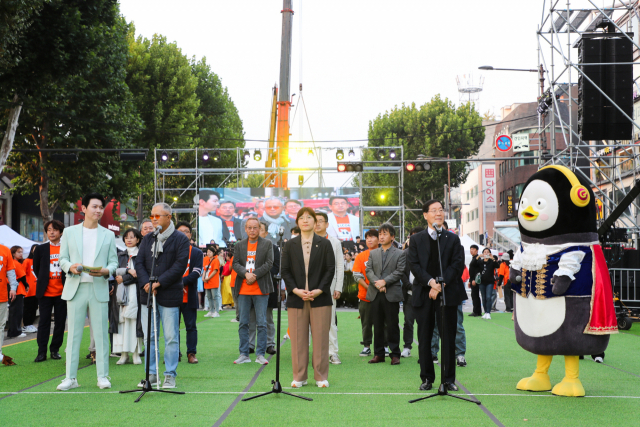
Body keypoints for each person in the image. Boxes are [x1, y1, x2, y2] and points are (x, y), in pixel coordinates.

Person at [57, 193, 119, 391]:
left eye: (101, 207)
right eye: (94, 206)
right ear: (83, 209)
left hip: (98, 286)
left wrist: (107, 271)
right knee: (73, 334)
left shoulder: (109, 235)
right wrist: (70, 267)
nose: (98, 210)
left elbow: (114, 262)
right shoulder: (69, 232)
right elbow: (62, 259)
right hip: (76, 286)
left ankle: (102, 376)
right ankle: (70, 378)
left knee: (101, 334)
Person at [409, 200, 466, 391]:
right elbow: (415, 266)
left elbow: (457, 265)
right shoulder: (416, 240)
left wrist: (440, 284)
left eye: (441, 210)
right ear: (425, 215)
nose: (438, 213)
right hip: (423, 294)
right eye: (433, 211)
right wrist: (431, 283)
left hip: (447, 294)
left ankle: (448, 379)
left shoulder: (452, 239)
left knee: (448, 337)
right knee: (424, 337)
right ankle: (427, 378)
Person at [135, 202, 190, 389]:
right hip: (147, 294)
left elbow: (180, 266)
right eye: (152, 216)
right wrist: (146, 283)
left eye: (157, 216)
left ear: (169, 217)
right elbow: (140, 263)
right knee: (149, 336)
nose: (154, 219)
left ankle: (169, 374)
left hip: (169, 295)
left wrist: (159, 283)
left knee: (170, 336)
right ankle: (151, 374)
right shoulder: (148, 239)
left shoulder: (180, 239)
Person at [281, 208, 335, 387]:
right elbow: (285, 271)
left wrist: (320, 289)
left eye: (309, 218)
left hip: (320, 297)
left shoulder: (324, 244)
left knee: (320, 338)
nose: (305, 221)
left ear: (316, 222)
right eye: (301, 218)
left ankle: (320, 376)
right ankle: (299, 376)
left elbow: (330, 269)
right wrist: (295, 290)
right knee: (297, 340)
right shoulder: (289, 245)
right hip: (297, 298)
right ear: (297, 222)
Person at [232, 217, 274, 365]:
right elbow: (235, 263)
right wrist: (246, 274)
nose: (252, 230)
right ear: (245, 229)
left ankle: (260, 354)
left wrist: (254, 275)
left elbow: (269, 263)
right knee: (243, 322)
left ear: (259, 228)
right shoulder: (239, 245)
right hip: (243, 290)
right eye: (249, 227)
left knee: (262, 323)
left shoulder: (267, 244)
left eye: (255, 227)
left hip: (261, 289)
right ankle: (244, 354)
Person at [365, 223, 406, 366]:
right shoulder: (373, 253)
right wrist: (377, 283)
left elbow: (399, 271)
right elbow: (368, 270)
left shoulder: (400, 253)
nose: (381, 237)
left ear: (393, 237)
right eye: (380, 234)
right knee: (377, 324)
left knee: (392, 324)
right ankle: (379, 354)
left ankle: (395, 354)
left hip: (391, 293)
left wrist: (384, 282)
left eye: (385, 234)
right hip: (376, 292)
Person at [33, 220, 67, 363]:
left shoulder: (66, 248)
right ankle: (41, 352)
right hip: (45, 293)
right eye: (49, 230)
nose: (51, 232)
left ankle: (55, 350)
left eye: (54, 230)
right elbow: (36, 268)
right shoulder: (40, 249)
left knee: (60, 323)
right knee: (44, 323)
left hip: (63, 292)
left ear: (60, 232)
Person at [313, 211, 345, 365]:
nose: (317, 224)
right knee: (308, 323)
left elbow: (340, 266)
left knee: (330, 321)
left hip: (329, 287)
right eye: (315, 221)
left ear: (327, 224)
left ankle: (333, 353)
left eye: (320, 221)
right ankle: (312, 354)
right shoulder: (305, 240)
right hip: (308, 287)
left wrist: (338, 287)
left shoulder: (334, 242)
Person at [112, 228, 144, 365]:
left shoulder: (141, 256)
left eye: (132, 237)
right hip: (120, 294)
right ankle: (123, 354)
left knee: (134, 323)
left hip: (136, 293)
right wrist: (127, 273)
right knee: (121, 323)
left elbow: (140, 275)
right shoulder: (119, 255)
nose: (129, 240)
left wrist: (124, 278)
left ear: (138, 239)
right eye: (126, 237)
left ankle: (136, 353)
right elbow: (114, 272)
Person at [176, 222, 203, 364]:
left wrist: (180, 283)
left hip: (189, 295)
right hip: (172, 296)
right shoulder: (170, 250)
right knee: (173, 327)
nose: (183, 234)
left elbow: (197, 272)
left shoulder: (197, 252)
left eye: (186, 231)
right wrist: (175, 284)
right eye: (180, 231)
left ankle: (191, 353)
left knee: (191, 326)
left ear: (190, 235)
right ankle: (175, 353)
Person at [352, 229, 381, 357]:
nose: (369, 240)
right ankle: (366, 346)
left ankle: (384, 346)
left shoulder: (384, 253)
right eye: (367, 237)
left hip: (382, 293)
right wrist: (369, 287)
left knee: (383, 322)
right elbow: (357, 275)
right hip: (365, 295)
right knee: (366, 322)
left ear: (379, 239)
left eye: (372, 237)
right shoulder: (361, 256)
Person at [400, 226, 424, 358]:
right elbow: (402, 273)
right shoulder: (405, 253)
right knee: (408, 321)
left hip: (424, 293)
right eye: (411, 236)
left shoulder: (428, 252)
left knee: (424, 322)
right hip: (409, 293)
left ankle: (424, 348)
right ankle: (407, 346)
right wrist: (409, 286)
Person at [0, 243, 18, 366]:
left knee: (1, 325)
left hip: (1, 295)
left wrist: (13, 287)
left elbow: (10, 271)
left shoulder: (5, 250)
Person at [7, 246, 28, 338]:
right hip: (18, 290)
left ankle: (13, 331)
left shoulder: (11, 263)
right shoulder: (16, 263)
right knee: (17, 312)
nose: (21, 254)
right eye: (18, 252)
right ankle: (16, 331)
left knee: (13, 312)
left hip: (12, 289)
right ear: (13, 254)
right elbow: (22, 276)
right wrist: (27, 285)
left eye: (21, 252)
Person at [22, 245, 38, 333]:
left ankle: (30, 324)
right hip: (29, 290)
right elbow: (22, 274)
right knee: (28, 308)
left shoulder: (39, 261)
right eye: (34, 249)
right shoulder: (27, 261)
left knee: (34, 308)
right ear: (31, 250)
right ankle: (26, 325)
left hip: (37, 289)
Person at [478, 248, 496, 319]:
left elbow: (497, 265)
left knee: (488, 297)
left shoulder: (491, 261)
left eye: (487, 252)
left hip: (490, 282)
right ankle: (485, 312)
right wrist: (478, 256)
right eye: (484, 252)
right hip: (482, 282)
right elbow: (473, 264)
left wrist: (492, 258)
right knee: (484, 297)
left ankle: (488, 312)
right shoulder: (480, 262)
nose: (486, 253)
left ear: (490, 253)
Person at [203, 246, 221, 317]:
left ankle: (216, 311)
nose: (208, 253)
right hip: (207, 281)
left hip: (213, 281)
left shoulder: (216, 260)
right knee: (209, 297)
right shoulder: (206, 260)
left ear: (213, 253)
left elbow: (215, 270)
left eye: (210, 252)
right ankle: (211, 310)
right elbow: (205, 269)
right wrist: (203, 277)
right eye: (207, 252)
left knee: (215, 296)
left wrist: (208, 278)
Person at [468, 245, 482, 317]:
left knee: (475, 295)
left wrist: (474, 280)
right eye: (471, 249)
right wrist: (470, 280)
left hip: (476, 280)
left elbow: (478, 271)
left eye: (473, 249)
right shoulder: (474, 258)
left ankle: (476, 311)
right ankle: (477, 311)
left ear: (477, 250)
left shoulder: (477, 259)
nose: (471, 251)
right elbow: (472, 271)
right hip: (472, 279)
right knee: (474, 296)